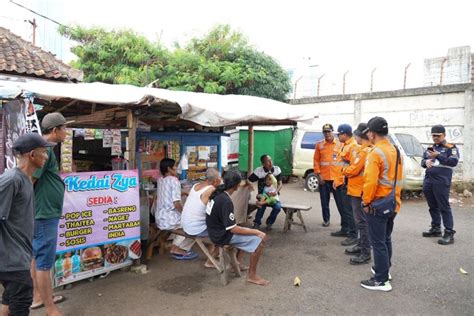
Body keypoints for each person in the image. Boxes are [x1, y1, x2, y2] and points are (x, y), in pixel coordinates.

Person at [1, 133, 53, 316]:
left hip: (19, 256)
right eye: (44, 153)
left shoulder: (25, 180)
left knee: (9, 300)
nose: (46, 157)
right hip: (11, 260)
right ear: (32, 155)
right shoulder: (11, 180)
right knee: (22, 301)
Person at [31, 113, 71, 315]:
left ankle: (39, 296)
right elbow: (30, 179)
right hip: (44, 213)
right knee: (44, 262)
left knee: (36, 258)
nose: (66, 132)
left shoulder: (46, 149)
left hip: (43, 211)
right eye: (64, 128)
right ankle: (50, 308)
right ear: (55, 130)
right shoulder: (43, 150)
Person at [360, 117, 403, 292]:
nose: (367, 135)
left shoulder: (376, 153)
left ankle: (381, 280)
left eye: (368, 132)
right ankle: (385, 271)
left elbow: (370, 182)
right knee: (385, 239)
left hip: (377, 204)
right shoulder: (395, 150)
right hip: (393, 202)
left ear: (372, 133)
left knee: (377, 242)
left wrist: (366, 202)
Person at [206, 170, 269, 286]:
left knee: (245, 228)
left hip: (214, 231)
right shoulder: (225, 201)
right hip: (220, 236)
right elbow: (232, 229)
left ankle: (239, 262)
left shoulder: (217, 193)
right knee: (259, 240)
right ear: (237, 185)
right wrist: (256, 231)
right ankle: (252, 275)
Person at [421, 124, 459, 245]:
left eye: (438, 135)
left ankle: (449, 232)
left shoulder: (450, 147)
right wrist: (425, 161)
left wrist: (438, 156)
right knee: (432, 206)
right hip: (429, 180)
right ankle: (436, 228)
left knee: (444, 206)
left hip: (441, 181)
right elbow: (422, 162)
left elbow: (453, 161)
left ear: (444, 135)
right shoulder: (430, 148)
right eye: (433, 135)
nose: (436, 138)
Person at [155, 158, 198, 260]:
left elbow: (166, 195)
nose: (176, 168)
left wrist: (182, 193)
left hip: (160, 217)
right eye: (175, 166)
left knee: (185, 223)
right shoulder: (174, 181)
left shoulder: (160, 180)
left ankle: (176, 247)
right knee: (193, 225)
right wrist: (185, 214)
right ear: (169, 168)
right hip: (169, 218)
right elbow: (176, 203)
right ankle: (178, 248)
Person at [342, 123, 372, 265]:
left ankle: (365, 251)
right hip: (356, 189)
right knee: (361, 221)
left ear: (361, 136)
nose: (355, 138)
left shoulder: (365, 151)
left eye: (356, 135)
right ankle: (361, 244)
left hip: (359, 190)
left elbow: (353, 169)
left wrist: (344, 170)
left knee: (362, 222)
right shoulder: (362, 150)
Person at [181, 168, 222, 267]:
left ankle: (212, 256)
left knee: (213, 227)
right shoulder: (211, 189)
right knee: (225, 235)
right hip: (195, 229)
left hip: (185, 225)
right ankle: (210, 261)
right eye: (220, 179)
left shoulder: (195, 186)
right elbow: (215, 211)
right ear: (215, 181)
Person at [312, 123, 345, 227]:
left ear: (333, 132)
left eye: (329, 131)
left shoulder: (341, 144)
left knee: (341, 203)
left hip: (337, 179)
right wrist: (319, 174)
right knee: (324, 202)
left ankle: (345, 222)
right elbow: (316, 160)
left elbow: (345, 160)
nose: (327, 134)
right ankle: (326, 220)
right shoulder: (319, 145)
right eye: (325, 132)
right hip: (324, 178)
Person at [331, 124, 358, 247]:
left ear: (345, 134)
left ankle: (352, 235)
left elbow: (351, 167)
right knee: (343, 209)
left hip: (346, 183)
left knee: (349, 211)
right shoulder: (344, 145)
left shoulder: (352, 147)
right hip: (340, 182)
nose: (337, 136)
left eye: (339, 134)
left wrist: (341, 180)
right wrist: (336, 180)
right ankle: (345, 228)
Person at [248, 155, 283, 230]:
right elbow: (249, 180)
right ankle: (257, 223)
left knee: (278, 207)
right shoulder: (258, 171)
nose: (270, 162)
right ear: (263, 164)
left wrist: (276, 192)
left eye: (271, 160)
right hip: (262, 195)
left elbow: (280, 184)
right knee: (261, 206)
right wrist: (251, 186)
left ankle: (269, 223)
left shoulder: (277, 169)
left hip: (273, 196)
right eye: (267, 161)